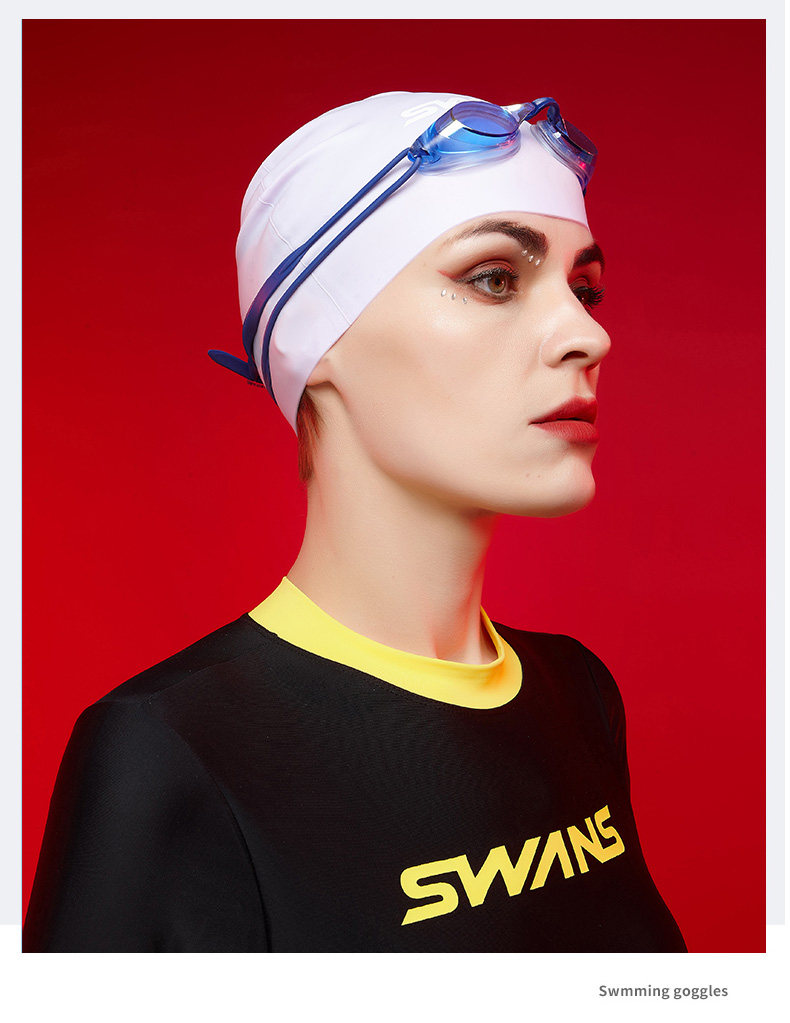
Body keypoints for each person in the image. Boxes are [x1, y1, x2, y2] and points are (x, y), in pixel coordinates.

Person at [23, 91, 687, 952]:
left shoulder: (577, 693)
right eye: (494, 278)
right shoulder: (171, 749)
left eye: (584, 288)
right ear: (317, 337)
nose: (588, 337)